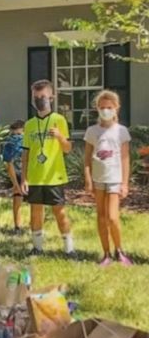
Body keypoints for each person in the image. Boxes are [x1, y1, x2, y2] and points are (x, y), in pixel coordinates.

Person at [21, 79, 75, 257]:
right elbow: (26, 153)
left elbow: (67, 149)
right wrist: (24, 178)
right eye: (36, 97)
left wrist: (60, 137)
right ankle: (37, 247)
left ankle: (69, 248)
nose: (39, 100)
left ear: (51, 97)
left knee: (59, 212)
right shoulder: (29, 125)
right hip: (35, 176)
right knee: (36, 213)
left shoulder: (59, 120)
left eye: (43, 96)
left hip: (54, 176)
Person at [84, 90, 132, 266]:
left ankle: (119, 250)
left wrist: (125, 183)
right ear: (97, 109)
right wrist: (88, 179)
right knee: (101, 216)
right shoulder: (92, 131)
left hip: (114, 179)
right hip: (98, 180)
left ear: (116, 108)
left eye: (109, 107)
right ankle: (106, 253)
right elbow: (87, 158)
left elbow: (126, 159)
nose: (106, 111)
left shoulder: (121, 131)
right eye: (102, 107)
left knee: (112, 217)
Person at [2, 120, 25, 235]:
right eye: (13, 135)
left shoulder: (29, 143)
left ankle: (36, 227)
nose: (16, 138)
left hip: (31, 174)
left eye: (19, 134)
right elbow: (9, 165)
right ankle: (17, 227)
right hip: (18, 173)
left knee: (36, 203)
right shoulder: (9, 145)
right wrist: (16, 184)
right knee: (17, 198)